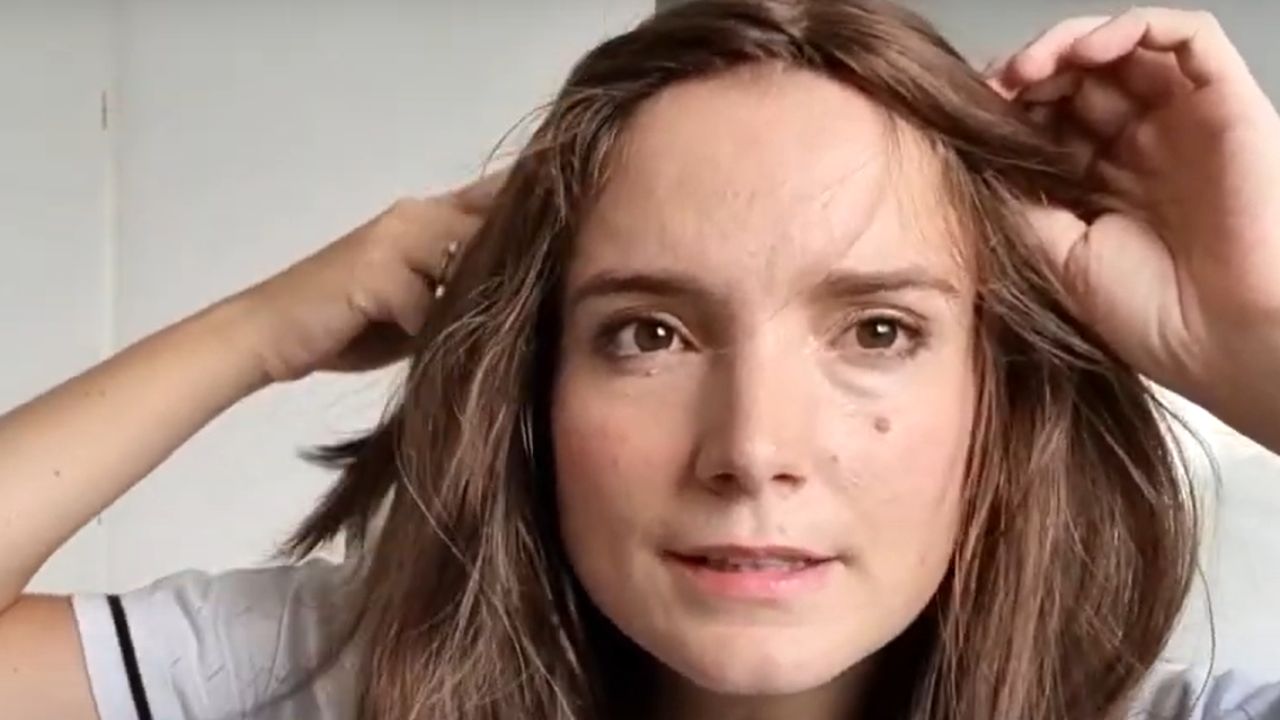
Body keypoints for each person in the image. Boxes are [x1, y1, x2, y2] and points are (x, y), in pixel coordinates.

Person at [2, 0, 1279, 718]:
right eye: (649, 334)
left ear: (991, 398)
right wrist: (263, 328)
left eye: (876, 332)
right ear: (536, 391)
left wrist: (1253, 343)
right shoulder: (327, 685)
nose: (752, 452)